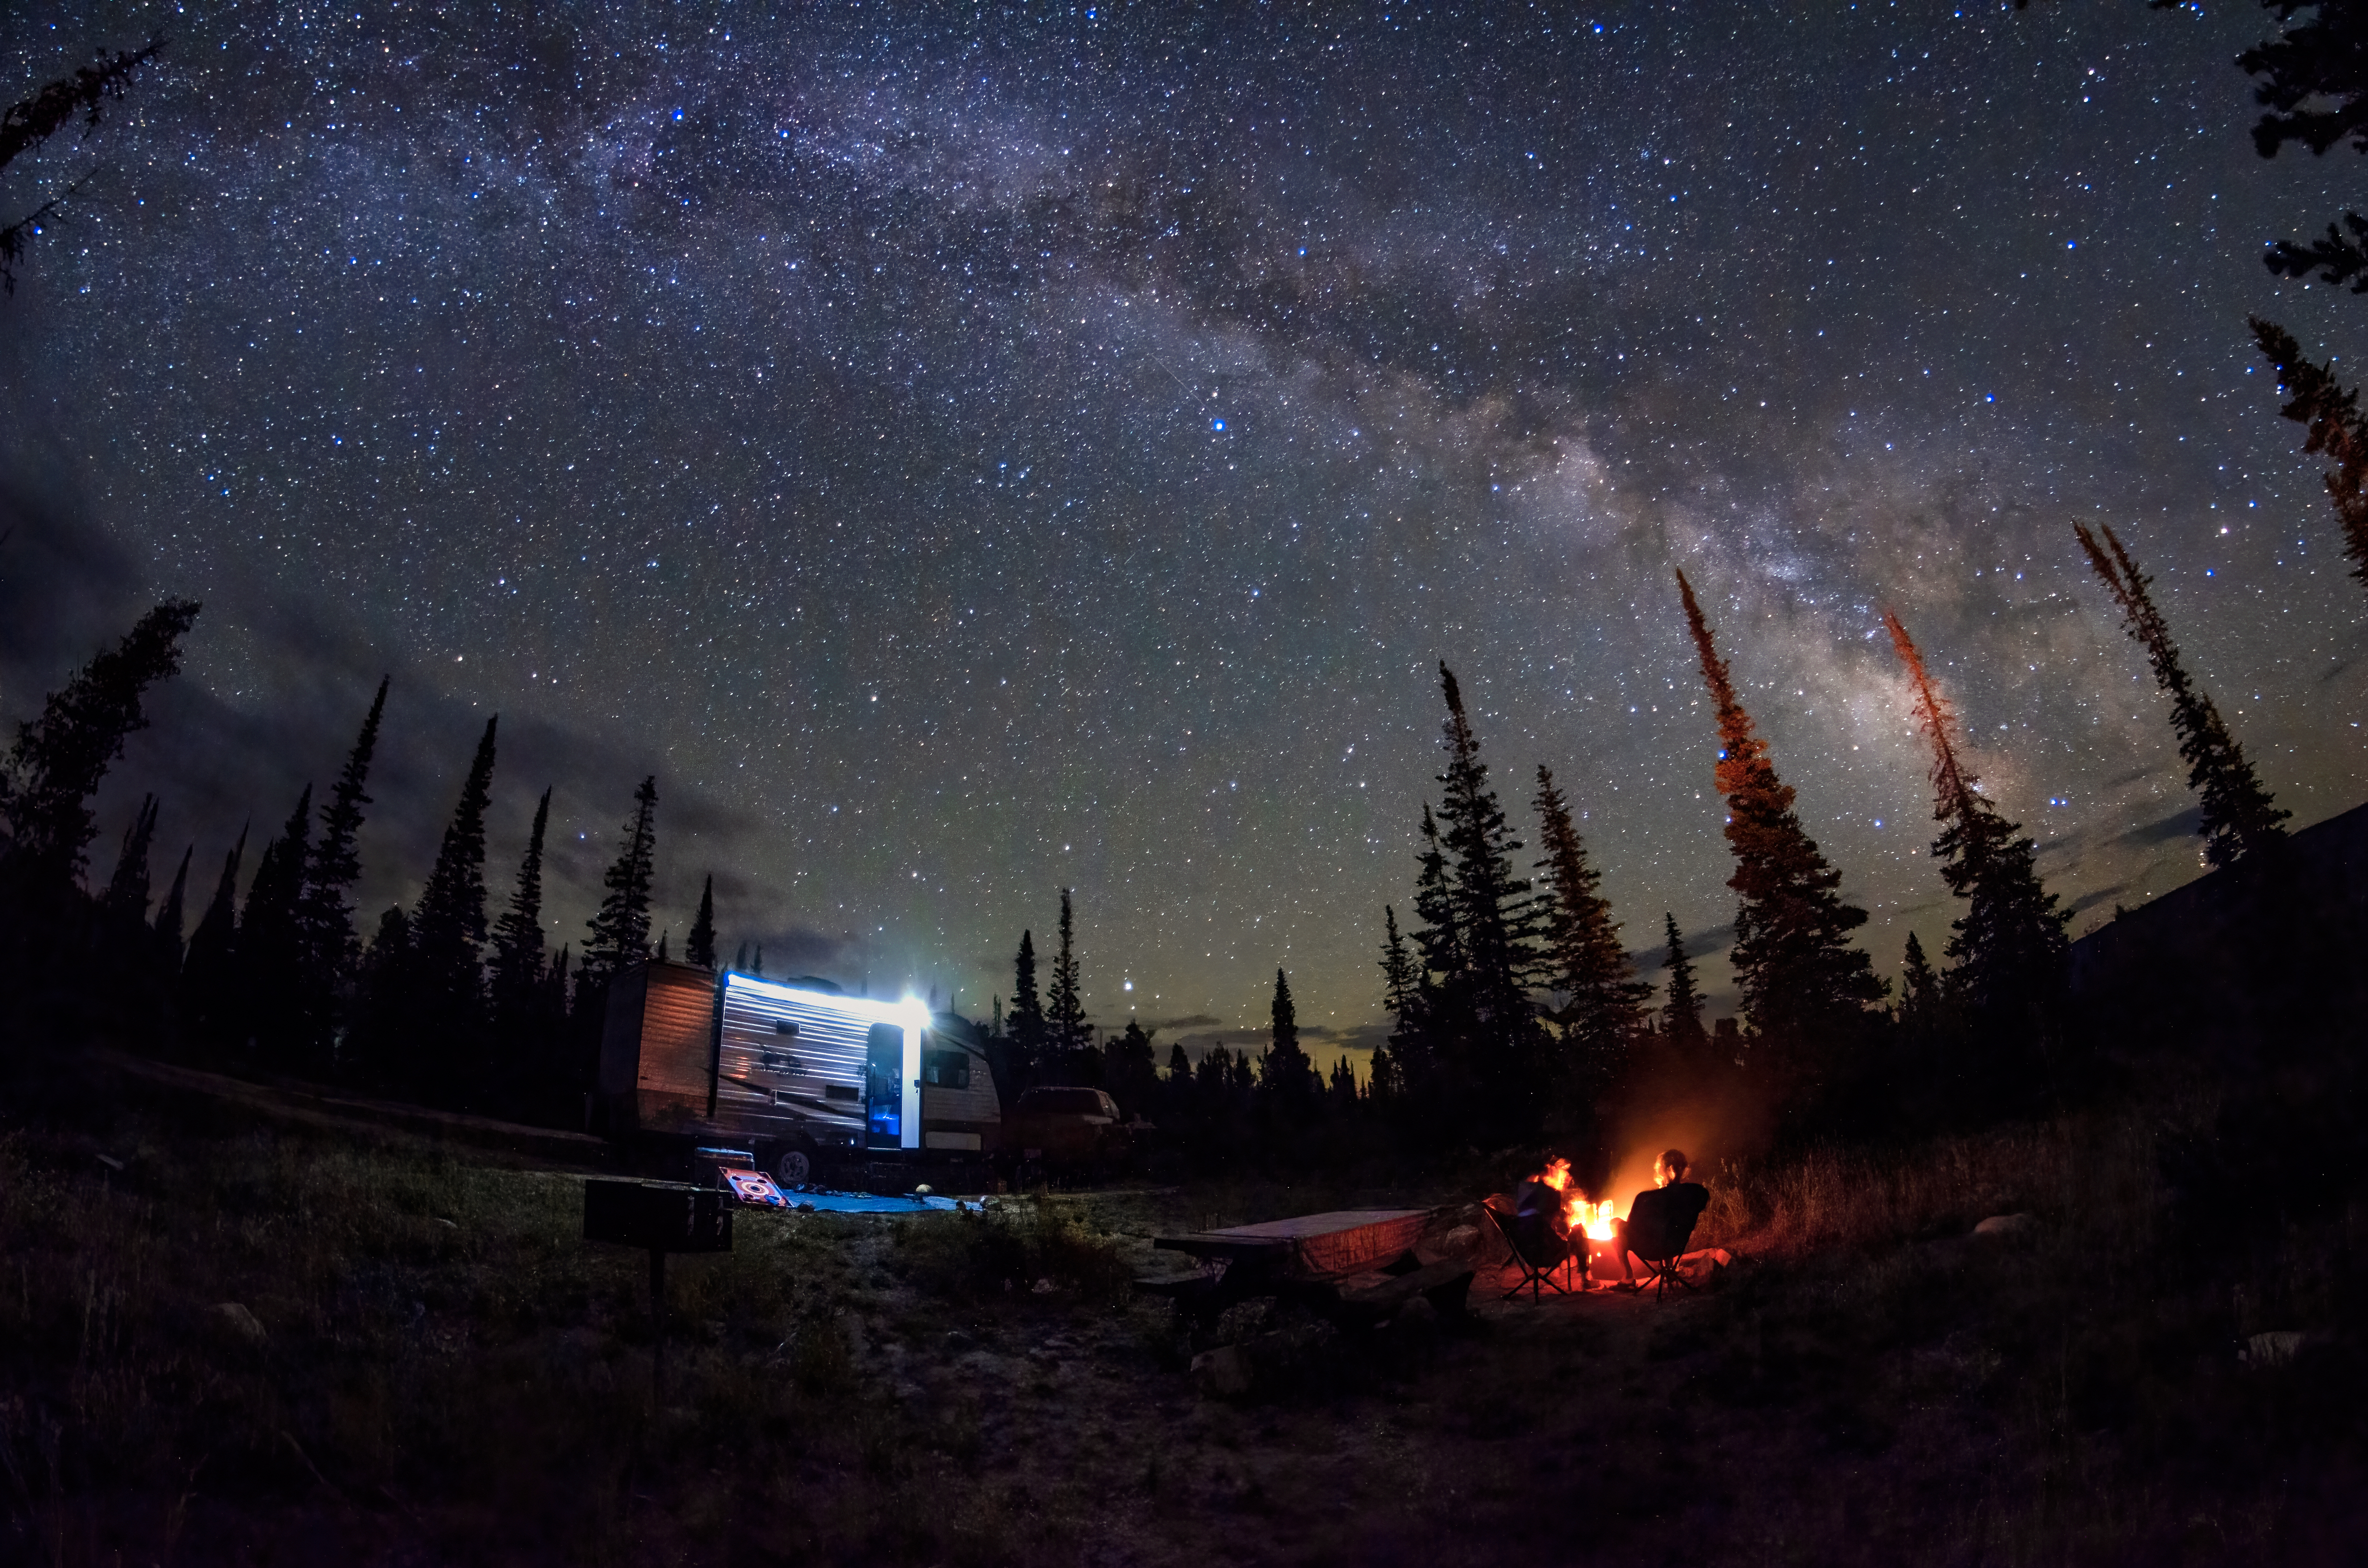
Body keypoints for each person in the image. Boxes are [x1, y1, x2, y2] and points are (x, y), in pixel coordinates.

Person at [1598, 1148, 1710, 1291]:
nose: (1657, 1173)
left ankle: (1628, 1277)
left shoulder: (1646, 1197)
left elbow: (1632, 1225)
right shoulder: (1697, 1192)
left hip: (1649, 1250)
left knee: (1616, 1224)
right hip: (1677, 1246)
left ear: (1668, 1170)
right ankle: (1670, 1270)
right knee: (1668, 1225)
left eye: (1659, 1169)